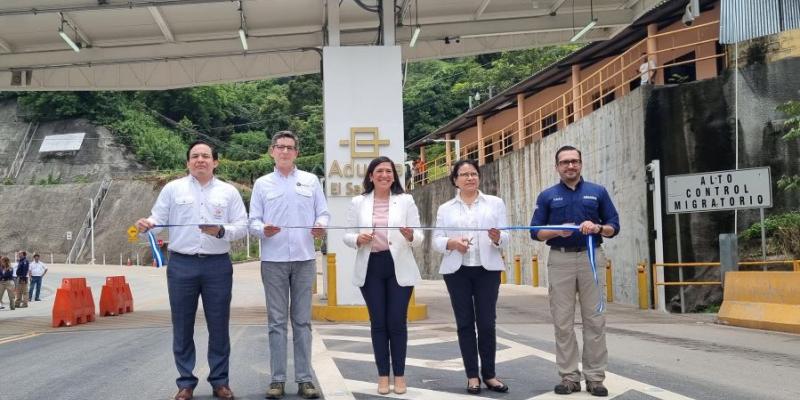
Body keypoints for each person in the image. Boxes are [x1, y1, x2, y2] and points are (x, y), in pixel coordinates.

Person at [136, 140, 248, 400]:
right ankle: (185, 382)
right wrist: (147, 225)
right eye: (195, 156)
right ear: (187, 162)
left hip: (217, 265)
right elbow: (158, 220)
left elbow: (242, 226)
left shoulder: (228, 192)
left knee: (219, 325)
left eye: (206, 156)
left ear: (215, 162)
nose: (200, 160)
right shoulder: (172, 190)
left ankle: (220, 381)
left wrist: (220, 230)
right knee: (182, 325)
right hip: (182, 264)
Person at [529, 145, 620, 397]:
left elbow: (614, 226)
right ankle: (569, 377)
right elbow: (535, 232)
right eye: (565, 162)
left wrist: (598, 228)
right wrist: (558, 230)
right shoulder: (547, 196)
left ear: (581, 163)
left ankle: (595, 378)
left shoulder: (597, 192)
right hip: (561, 260)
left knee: (595, 320)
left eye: (574, 161)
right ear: (557, 166)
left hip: (591, 257)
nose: (570, 166)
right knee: (563, 322)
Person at [249, 131, 329, 400]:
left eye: (290, 147)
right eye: (280, 147)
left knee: (302, 321)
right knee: (277, 322)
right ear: (272, 151)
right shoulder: (262, 184)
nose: (285, 151)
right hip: (273, 261)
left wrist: (321, 227)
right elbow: (253, 221)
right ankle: (277, 380)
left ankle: (305, 379)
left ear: (297, 153)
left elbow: (324, 212)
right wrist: (263, 230)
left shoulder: (310, 181)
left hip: (305, 259)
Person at [342, 156, 423, 395]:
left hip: (398, 265)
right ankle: (382, 376)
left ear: (394, 176)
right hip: (371, 267)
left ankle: (399, 376)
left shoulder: (406, 200)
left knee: (397, 323)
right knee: (378, 323)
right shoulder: (358, 202)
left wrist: (410, 235)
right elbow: (347, 235)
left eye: (389, 171)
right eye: (379, 171)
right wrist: (357, 238)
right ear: (370, 176)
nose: (384, 175)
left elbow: (419, 237)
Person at [433, 159, 510, 395]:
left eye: (474, 173)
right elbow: (436, 241)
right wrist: (452, 243)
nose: (470, 178)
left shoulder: (495, 203)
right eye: (464, 174)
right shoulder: (445, 209)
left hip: (487, 270)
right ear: (455, 180)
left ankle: (490, 375)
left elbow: (506, 236)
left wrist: (497, 237)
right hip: (458, 272)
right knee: (465, 323)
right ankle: (472, 376)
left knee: (487, 322)